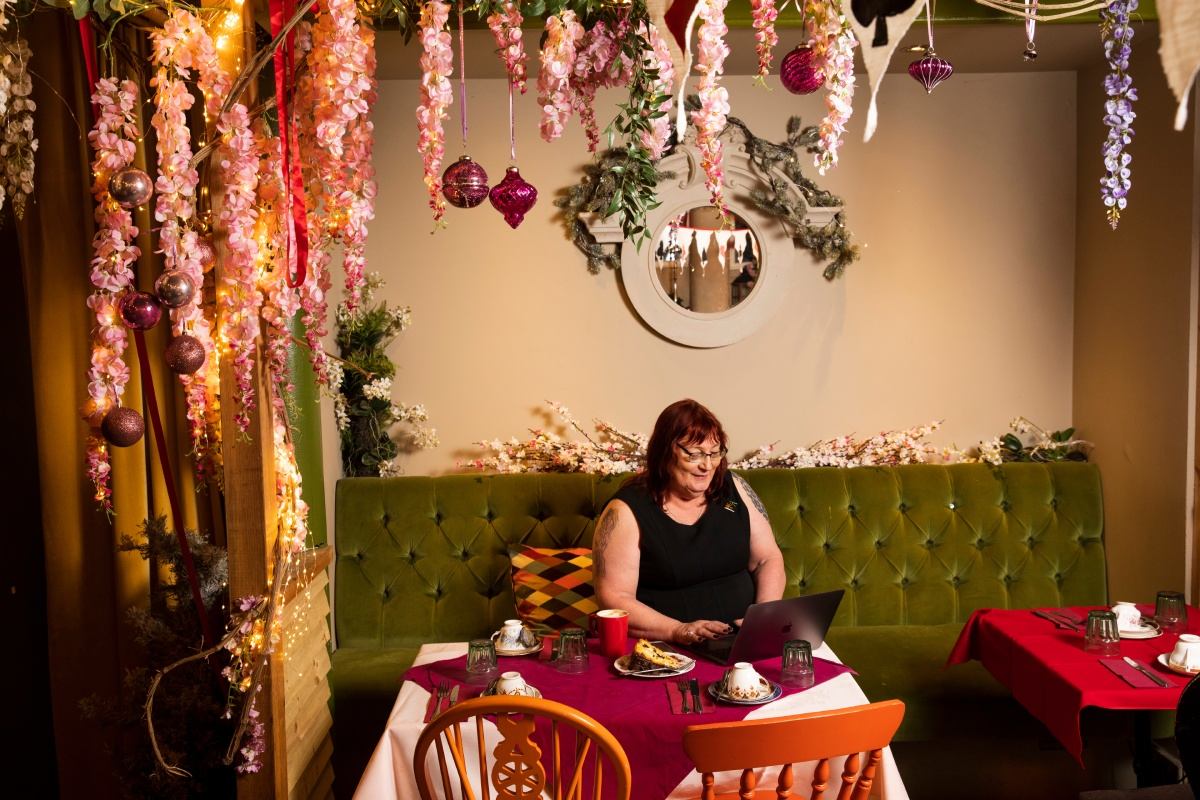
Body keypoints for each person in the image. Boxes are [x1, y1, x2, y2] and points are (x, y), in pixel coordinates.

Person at [593, 399, 785, 646]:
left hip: (746, 640)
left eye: (714, 453)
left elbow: (767, 559)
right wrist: (679, 630)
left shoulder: (733, 489)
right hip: (668, 648)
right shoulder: (625, 510)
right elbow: (614, 598)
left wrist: (763, 618)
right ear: (665, 452)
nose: (707, 465)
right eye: (694, 454)